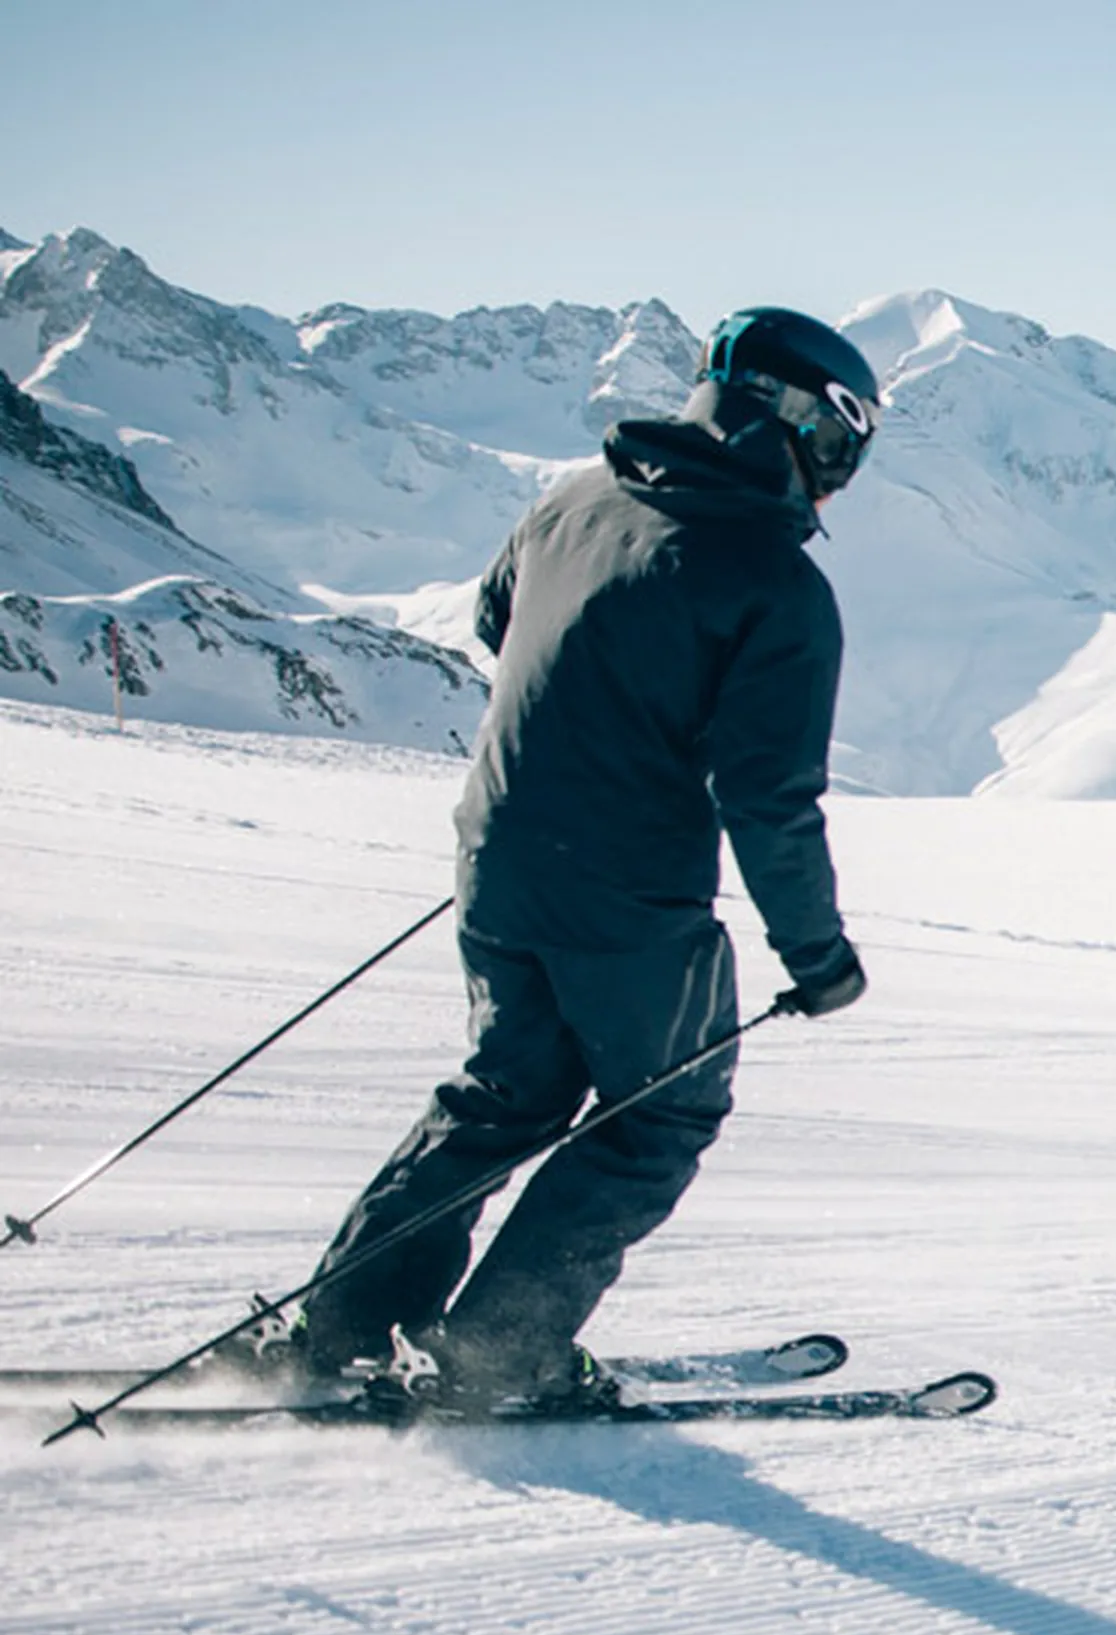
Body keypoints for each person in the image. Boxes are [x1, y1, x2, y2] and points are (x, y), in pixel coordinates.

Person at [288, 308, 882, 1412]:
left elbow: (495, 619)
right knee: (659, 1111)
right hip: (629, 896)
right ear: (800, 420)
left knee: (502, 1097)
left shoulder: (571, 497)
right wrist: (818, 953)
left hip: (499, 852)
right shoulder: (774, 583)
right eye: (847, 444)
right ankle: (497, 1355)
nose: (842, 476)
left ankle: (344, 1330)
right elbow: (769, 796)